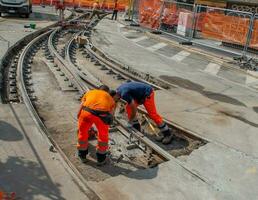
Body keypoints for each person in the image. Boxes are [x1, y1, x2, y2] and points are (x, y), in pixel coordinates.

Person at [77, 85, 115, 165]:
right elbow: (111, 114)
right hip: (103, 116)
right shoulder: (109, 97)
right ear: (107, 92)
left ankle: (82, 156)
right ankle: (101, 159)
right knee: (103, 136)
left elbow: (82, 104)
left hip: (86, 113)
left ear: (98, 89)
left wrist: (78, 115)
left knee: (82, 133)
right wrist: (109, 123)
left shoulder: (90, 92)